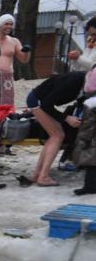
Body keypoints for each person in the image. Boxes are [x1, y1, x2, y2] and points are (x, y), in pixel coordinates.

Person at [22, 70, 85, 186]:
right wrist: (67, 118)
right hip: (38, 102)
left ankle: (37, 174)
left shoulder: (87, 83)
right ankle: (43, 176)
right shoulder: (75, 81)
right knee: (57, 136)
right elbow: (47, 104)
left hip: (41, 101)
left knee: (55, 136)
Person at [0, 15, 30, 108]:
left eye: (11, 24)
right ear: (0, 25)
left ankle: (5, 122)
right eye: (7, 24)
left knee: (7, 105)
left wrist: (27, 52)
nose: (9, 26)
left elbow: (24, 60)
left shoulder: (14, 41)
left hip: (7, 78)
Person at [71, 67, 96, 195]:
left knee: (91, 164)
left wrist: (84, 139)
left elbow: (88, 125)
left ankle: (90, 187)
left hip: (92, 141)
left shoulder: (90, 104)